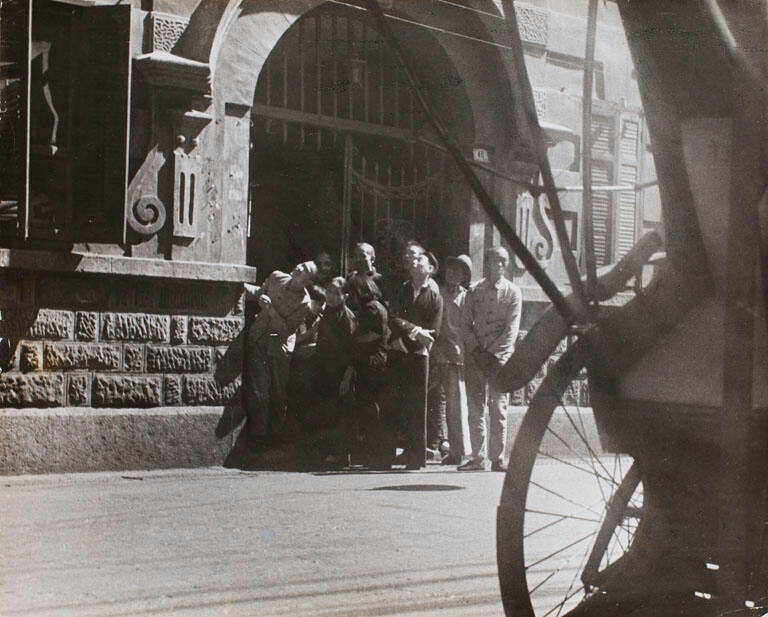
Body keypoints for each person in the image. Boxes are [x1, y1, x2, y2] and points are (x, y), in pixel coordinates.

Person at [458, 246, 522, 472]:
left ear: (507, 265)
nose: (498, 265)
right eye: (494, 260)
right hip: (476, 356)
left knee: (499, 407)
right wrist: (476, 351)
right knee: (476, 406)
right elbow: (464, 324)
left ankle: (498, 458)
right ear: (487, 263)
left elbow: (512, 329)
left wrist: (493, 355)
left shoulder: (513, 293)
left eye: (503, 261)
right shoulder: (473, 291)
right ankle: (478, 457)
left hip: (499, 359)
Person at [243, 261, 317, 446]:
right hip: (259, 340)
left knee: (277, 392)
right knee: (259, 389)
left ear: (307, 281)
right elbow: (259, 293)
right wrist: (238, 285)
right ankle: (258, 435)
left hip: (279, 349)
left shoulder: (303, 302)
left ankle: (275, 435)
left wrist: (269, 310)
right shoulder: (277, 276)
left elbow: (287, 330)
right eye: (301, 265)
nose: (298, 268)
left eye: (304, 271)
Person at [386, 248, 443, 469]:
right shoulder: (401, 290)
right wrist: (414, 331)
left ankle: (414, 458)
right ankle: (387, 456)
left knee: (417, 406)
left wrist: (415, 335)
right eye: (415, 259)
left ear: (430, 269)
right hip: (399, 350)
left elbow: (434, 332)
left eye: (421, 259)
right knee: (393, 404)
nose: (415, 261)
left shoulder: (435, 297)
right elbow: (393, 317)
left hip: (419, 356)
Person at [343, 274, 390, 468]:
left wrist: (353, 341)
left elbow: (374, 334)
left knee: (370, 405)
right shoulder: (377, 306)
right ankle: (376, 453)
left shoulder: (370, 308)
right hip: (375, 360)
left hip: (372, 361)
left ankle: (375, 453)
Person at [431, 254, 473, 465]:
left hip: (457, 355)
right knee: (439, 402)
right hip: (437, 350)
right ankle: (436, 443)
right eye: (450, 269)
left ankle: (459, 451)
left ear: (464, 276)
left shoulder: (466, 298)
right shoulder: (438, 293)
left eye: (458, 271)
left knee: (456, 404)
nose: (451, 273)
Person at [346, 242, 385, 310]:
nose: (358, 259)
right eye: (355, 256)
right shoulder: (350, 278)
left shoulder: (380, 279)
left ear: (372, 259)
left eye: (362, 256)